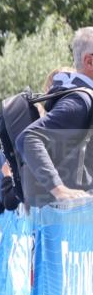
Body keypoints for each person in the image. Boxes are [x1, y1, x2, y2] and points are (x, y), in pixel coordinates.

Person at [16, 29, 93, 207]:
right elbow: (29, 138)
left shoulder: (75, 95)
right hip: (78, 219)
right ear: (89, 61)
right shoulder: (81, 100)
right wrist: (60, 190)